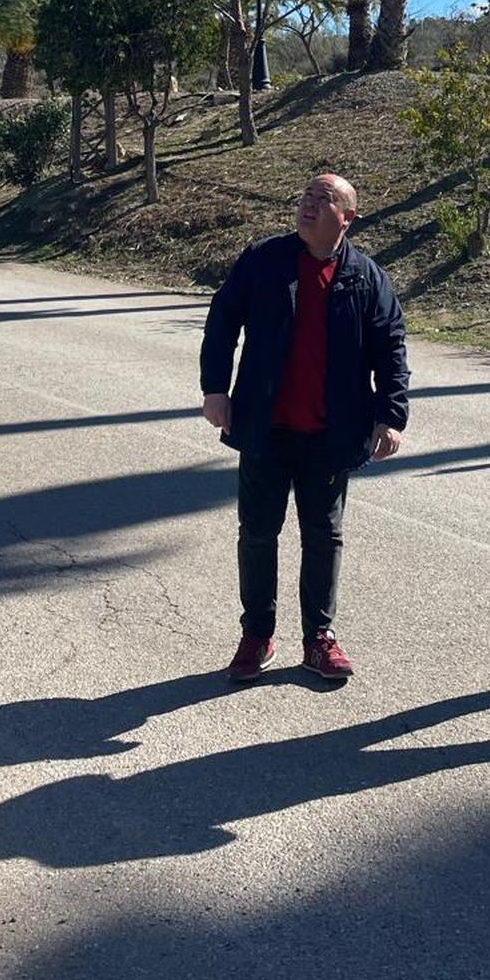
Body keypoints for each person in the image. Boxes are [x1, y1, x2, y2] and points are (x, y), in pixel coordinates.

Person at [200, 171, 409, 683]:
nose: (309, 205)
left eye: (324, 198)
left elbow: (391, 349)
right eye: (306, 196)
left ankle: (319, 637)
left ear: (348, 217)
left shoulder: (366, 277)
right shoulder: (264, 260)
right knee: (257, 533)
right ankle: (257, 634)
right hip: (265, 427)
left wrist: (391, 415)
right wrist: (215, 389)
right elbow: (223, 319)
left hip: (330, 434)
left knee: (323, 535)